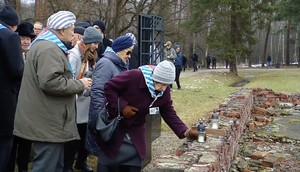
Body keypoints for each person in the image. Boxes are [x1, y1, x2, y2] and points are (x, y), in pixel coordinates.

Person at [13, 11, 92, 172]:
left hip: (47, 119)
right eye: (72, 28)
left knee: (53, 165)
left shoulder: (45, 45)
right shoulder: (49, 49)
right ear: (62, 30)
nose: (74, 32)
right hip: (47, 121)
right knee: (46, 166)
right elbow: (50, 82)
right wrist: (80, 84)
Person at [96, 60, 198, 171]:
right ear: (154, 77)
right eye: (160, 83)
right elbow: (109, 87)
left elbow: (168, 112)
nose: (163, 88)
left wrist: (185, 131)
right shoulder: (134, 76)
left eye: (167, 85)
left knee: (135, 160)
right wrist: (123, 106)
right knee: (108, 162)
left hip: (136, 129)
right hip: (115, 125)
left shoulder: (164, 91)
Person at [86, 35, 134, 164]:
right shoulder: (106, 64)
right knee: (104, 153)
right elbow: (98, 92)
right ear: (119, 50)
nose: (129, 56)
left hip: (114, 113)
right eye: (128, 52)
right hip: (105, 116)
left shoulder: (120, 63)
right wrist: (98, 120)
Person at [64, 27, 102, 172]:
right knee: (74, 137)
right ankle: (67, 165)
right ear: (87, 42)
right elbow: (69, 78)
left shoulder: (91, 56)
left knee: (85, 134)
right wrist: (82, 82)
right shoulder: (74, 55)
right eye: (95, 43)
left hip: (86, 101)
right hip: (75, 101)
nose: (97, 47)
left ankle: (81, 161)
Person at [7, 21, 35, 172]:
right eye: (22, 38)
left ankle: (24, 167)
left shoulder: (34, 56)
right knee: (11, 145)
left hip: (29, 110)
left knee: (25, 144)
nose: (25, 41)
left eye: (28, 39)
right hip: (13, 107)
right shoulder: (12, 55)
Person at [0, 5, 24, 172]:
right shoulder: (9, 37)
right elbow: (17, 70)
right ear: (14, 25)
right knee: (4, 145)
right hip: (4, 100)